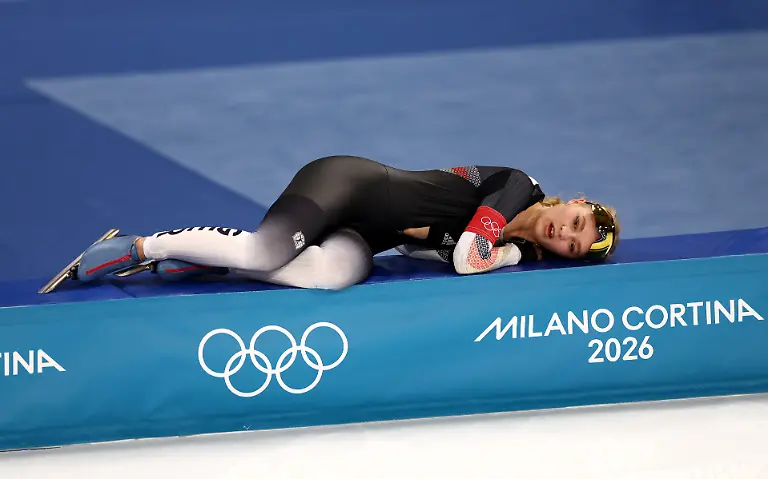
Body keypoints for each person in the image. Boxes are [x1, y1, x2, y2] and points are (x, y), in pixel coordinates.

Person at [59, 155, 620, 291]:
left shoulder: (510, 235)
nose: (566, 234)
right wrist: (513, 254)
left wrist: (508, 249)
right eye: (575, 221)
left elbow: (418, 250)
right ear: (571, 201)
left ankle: (199, 260)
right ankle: (141, 246)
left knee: (331, 276)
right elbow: (468, 258)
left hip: (366, 236)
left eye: (573, 246)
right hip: (346, 185)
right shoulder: (519, 186)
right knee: (263, 251)